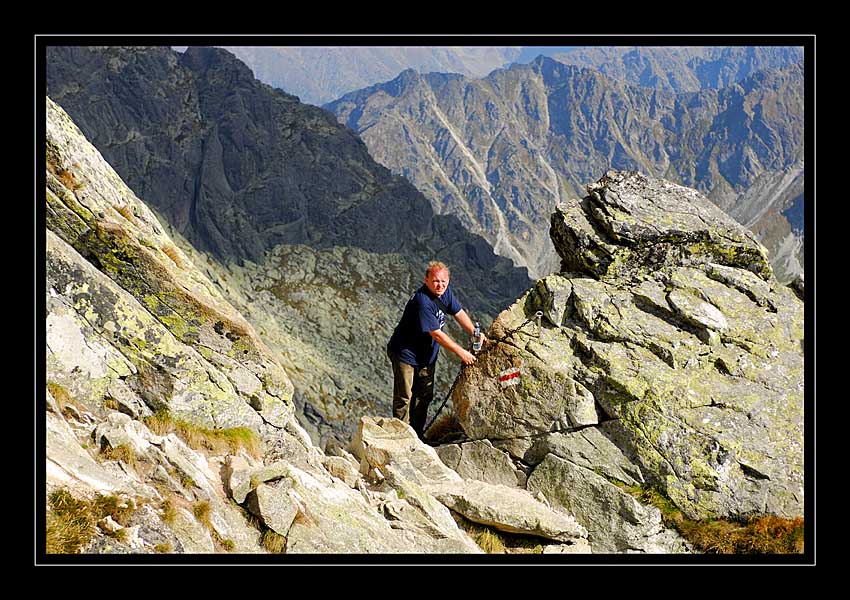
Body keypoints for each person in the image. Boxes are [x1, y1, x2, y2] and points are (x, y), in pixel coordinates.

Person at [386, 261, 487, 439]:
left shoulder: (445, 293)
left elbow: (459, 312)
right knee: (404, 397)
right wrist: (462, 352)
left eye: (443, 281)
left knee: (424, 396)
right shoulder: (422, 301)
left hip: (426, 355)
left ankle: (417, 435)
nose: (439, 285)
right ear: (426, 280)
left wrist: (475, 333)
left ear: (448, 281)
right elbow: (437, 334)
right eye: (435, 281)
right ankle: (401, 437)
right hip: (405, 354)